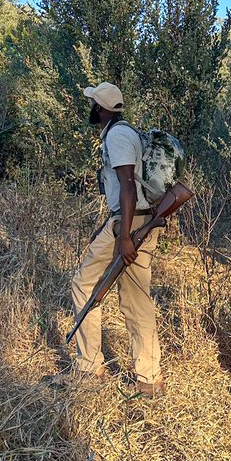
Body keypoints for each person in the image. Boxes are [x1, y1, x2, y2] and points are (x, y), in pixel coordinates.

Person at [57, 81, 165, 398]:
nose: (90, 107)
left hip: (130, 224)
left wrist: (124, 237)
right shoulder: (124, 132)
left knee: (85, 284)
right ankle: (148, 377)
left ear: (101, 107)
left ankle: (90, 368)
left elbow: (128, 187)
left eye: (93, 102)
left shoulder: (117, 136)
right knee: (135, 300)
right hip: (131, 221)